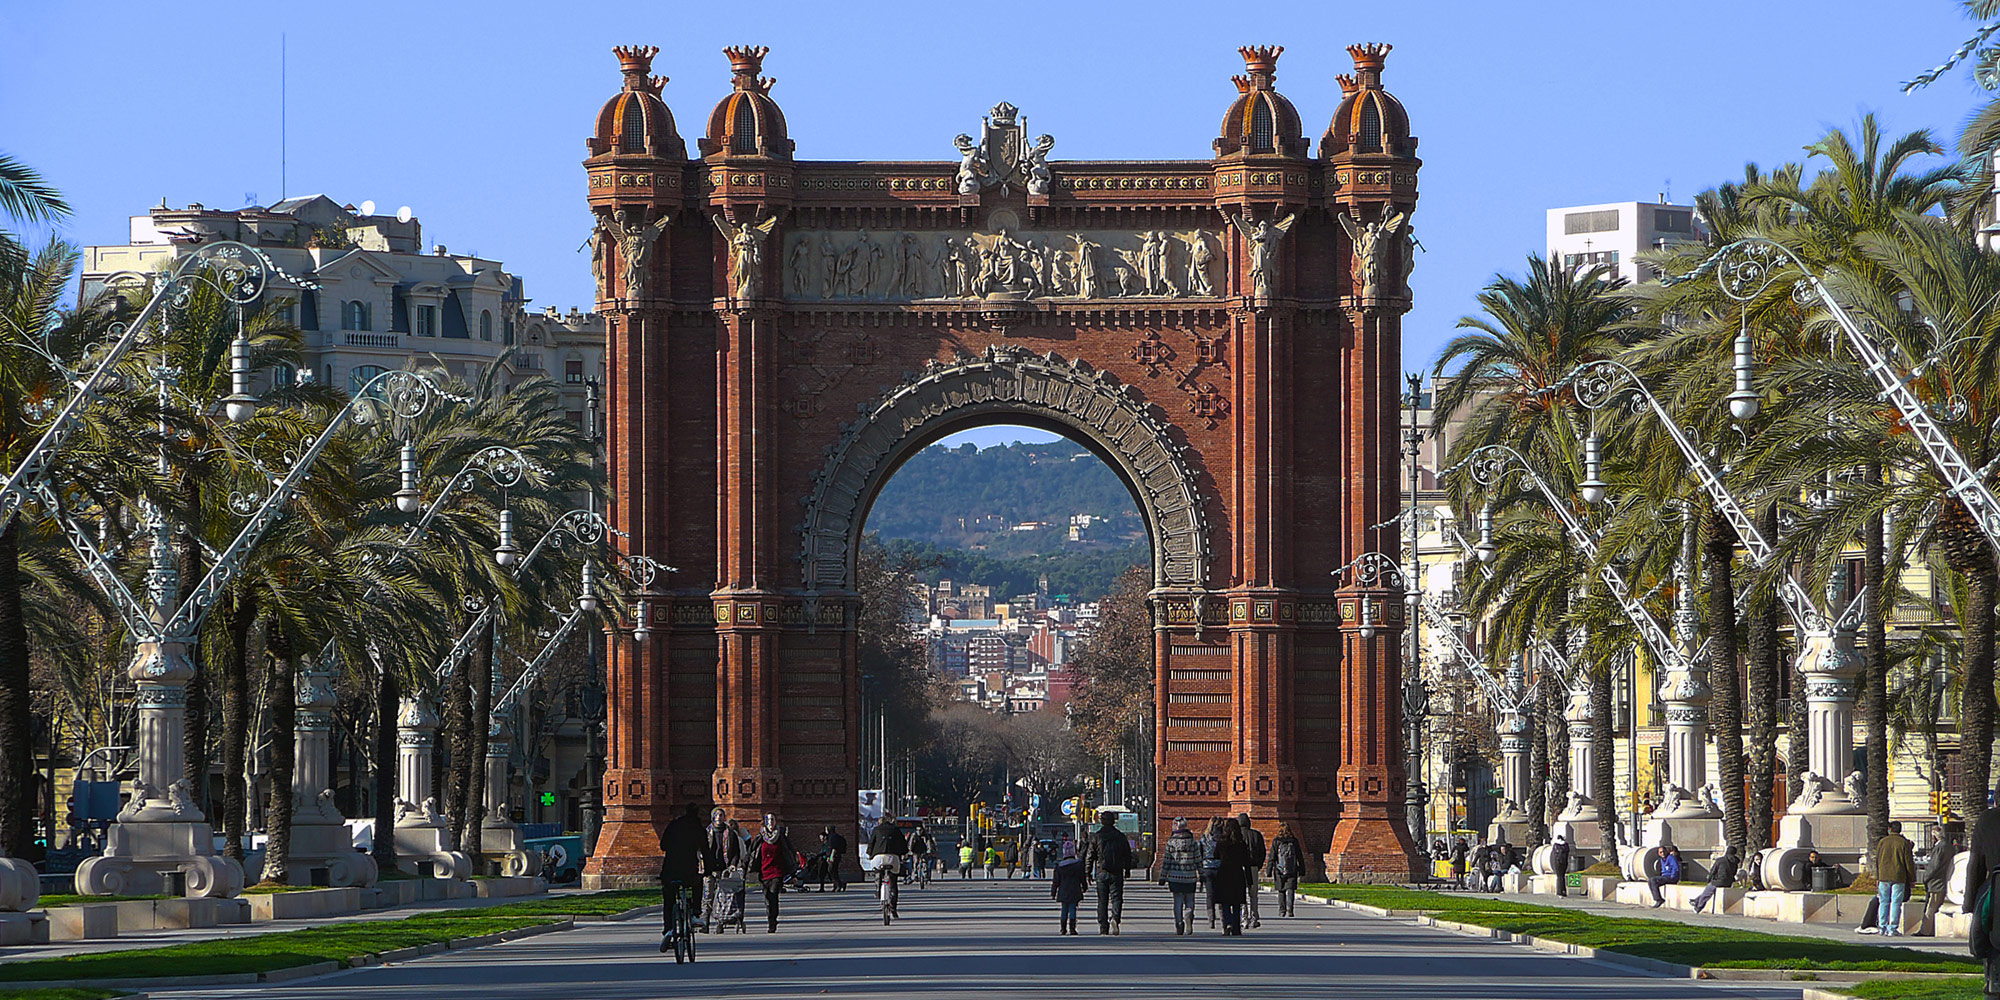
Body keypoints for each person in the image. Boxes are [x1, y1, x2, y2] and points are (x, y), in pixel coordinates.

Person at [658, 802, 715, 952]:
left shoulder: (674, 825)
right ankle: (696, 913)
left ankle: (668, 929)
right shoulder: (698, 829)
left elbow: (663, 845)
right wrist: (708, 870)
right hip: (688, 870)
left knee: (669, 900)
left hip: (669, 870)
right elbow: (706, 852)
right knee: (698, 883)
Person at [1961, 805, 2000, 995]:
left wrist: (1969, 903)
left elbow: (1975, 865)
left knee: (1995, 974)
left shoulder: (1987, 820)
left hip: (1996, 901)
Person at [1084, 811, 1133, 935]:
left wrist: (1087, 872)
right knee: (1116, 898)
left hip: (1101, 871)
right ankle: (1115, 919)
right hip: (1117, 872)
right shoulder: (1120, 836)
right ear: (1113, 821)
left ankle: (1103, 926)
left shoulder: (1096, 836)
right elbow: (1127, 854)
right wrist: (1127, 869)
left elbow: (1090, 855)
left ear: (1101, 821)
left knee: (1102, 900)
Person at [752, 813, 799, 933]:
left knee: (773, 895)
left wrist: (793, 873)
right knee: (767, 897)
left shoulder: (781, 837)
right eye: (768, 820)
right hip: (764, 871)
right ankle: (770, 917)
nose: (770, 822)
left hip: (777, 871)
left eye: (772, 820)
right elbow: (752, 853)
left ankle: (772, 920)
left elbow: (789, 853)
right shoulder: (760, 837)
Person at [702, 809, 745, 929]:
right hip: (709, 869)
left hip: (724, 869)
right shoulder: (707, 832)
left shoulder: (730, 833)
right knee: (708, 894)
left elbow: (735, 852)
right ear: (713, 817)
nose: (719, 817)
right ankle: (705, 921)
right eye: (717, 815)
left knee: (723, 897)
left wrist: (733, 864)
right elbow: (701, 850)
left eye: (721, 815)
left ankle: (720, 921)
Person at [1161, 817, 1203, 934]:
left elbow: (1167, 861)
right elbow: (1198, 860)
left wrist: (1163, 877)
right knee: (1190, 900)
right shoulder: (1193, 842)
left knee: (1177, 901)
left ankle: (1179, 923)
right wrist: (1201, 874)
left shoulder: (1171, 843)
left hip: (1175, 877)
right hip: (1190, 876)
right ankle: (1188, 915)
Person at [1209, 819, 1251, 935]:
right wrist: (1249, 879)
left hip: (1224, 873)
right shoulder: (1241, 843)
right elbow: (1246, 860)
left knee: (1225, 902)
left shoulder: (1221, 842)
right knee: (1237, 903)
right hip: (1237, 874)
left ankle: (1228, 922)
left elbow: (1215, 855)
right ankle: (1236, 928)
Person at [1875, 820, 1916, 937]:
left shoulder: (1882, 842)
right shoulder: (1904, 843)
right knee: (1896, 903)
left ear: (1890, 829)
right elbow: (1909, 863)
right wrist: (1912, 879)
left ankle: (1882, 927)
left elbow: (1877, 860)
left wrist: (1878, 876)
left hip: (1883, 876)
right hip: (1899, 876)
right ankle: (1892, 928)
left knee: (1883, 901)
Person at [1918, 827, 1960, 937]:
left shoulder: (1940, 847)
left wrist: (1926, 877)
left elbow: (1934, 866)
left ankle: (1925, 931)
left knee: (1931, 907)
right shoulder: (1949, 847)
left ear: (1935, 836)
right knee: (1934, 906)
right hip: (1942, 881)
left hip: (1936, 882)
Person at [868, 816, 909, 918]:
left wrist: (870, 855)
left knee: (877, 871)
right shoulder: (896, 830)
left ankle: (878, 888)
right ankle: (893, 907)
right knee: (893, 882)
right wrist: (903, 854)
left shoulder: (876, 830)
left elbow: (870, 846)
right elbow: (904, 847)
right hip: (893, 858)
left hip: (878, 858)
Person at [1266, 823, 1303, 917]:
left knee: (1281, 890)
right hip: (1292, 869)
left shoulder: (1276, 841)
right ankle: (1290, 909)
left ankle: (1282, 910)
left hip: (1279, 869)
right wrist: (1302, 868)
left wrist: (1269, 870)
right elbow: (1299, 856)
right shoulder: (1294, 841)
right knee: (1290, 890)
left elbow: (1272, 856)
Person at [1051, 840, 1087, 935]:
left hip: (1063, 890)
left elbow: (1056, 881)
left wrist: (1053, 892)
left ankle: (1063, 928)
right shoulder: (1078, 864)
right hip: (1075, 889)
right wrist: (1084, 887)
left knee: (1064, 909)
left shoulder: (1059, 866)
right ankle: (1072, 928)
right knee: (1072, 909)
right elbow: (1082, 878)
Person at [1691, 845, 1740, 914]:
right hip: (1729, 882)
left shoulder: (1720, 860)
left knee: (1708, 891)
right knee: (1707, 890)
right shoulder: (1735, 862)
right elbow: (1734, 872)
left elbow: (1713, 871)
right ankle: (1696, 900)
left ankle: (1698, 907)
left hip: (1719, 881)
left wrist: (1709, 879)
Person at [1238, 814, 1266, 928]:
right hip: (1253, 866)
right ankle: (1254, 917)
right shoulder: (1256, 835)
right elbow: (1262, 852)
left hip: (1240, 868)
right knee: (1253, 894)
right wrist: (1258, 865)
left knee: (1241, 894)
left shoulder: (1237, 835)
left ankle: (1244, 919)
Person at [1202, 816, 1226, 927]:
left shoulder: (1205, 837)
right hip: (1220, 867)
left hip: (1207, 867)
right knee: (1221, 894)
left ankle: (1211, 919)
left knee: (1210, 895)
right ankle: (1223, 919)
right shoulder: (1223, 838)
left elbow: (1200, 852)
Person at [815, 824, 847, 892]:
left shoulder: (833, 837)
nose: (825, 831)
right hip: (833, 856)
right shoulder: (832, 837)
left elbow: (834, 848)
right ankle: (837, 885)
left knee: (831, 871)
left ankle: (839, 884)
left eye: (826, 829)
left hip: (834, 857)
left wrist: (831, 856)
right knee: (833, 871)